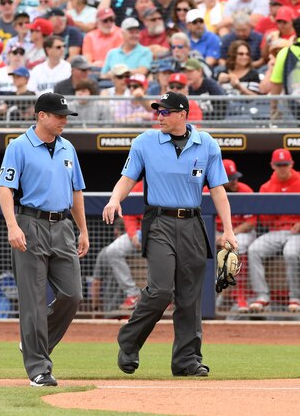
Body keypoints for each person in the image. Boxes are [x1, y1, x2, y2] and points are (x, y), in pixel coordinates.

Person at [103, 91, 237, 377]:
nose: (159, 116)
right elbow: (128, 178)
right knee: (161, 289)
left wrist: (228, 229)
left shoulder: (207, 143)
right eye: (157, 111)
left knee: (189, 296)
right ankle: (129, 341)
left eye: (165, 112)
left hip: (192, 222)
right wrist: (115, 200)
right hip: (160, 220)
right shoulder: (145, 142)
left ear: (182, 114)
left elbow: (217, 190)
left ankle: (186, 360)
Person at [0, 92, 88, 387]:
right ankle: (38, 367)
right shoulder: (19, 146)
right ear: (41, 116)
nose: (64, 120)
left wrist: (83, 230)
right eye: (59, 116)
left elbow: (76, 193)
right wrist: (13, 226)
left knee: (72, 295)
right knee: (33, 302)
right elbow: (6, 189)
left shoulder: (67, 148)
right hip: (30, 222)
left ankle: (35, 342)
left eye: (66, 116)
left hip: (62, 226)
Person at [248, 149, 300, 313]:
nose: (283, 168)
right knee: (253, 249)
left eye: (285, 164)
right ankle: (262, 296)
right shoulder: (267, 187)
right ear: (272, 165)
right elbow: (263, 219)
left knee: (290, 252)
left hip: (297, 232)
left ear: (292, 164)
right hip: (277, 232)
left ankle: (295, 297)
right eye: (279, 165)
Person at [203, 159, 256, 313]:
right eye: (231, 178)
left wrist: (230, 234)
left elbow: (252, 221)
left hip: (240, 231)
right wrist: (215, 236)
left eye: (236, 177)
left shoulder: (244, 189)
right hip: (214, 231)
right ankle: (211, 297)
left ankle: (240, 296)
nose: (235, 181)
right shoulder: (208, 191)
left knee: (238, 247)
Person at [95, 180, 145, 311]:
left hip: (163, 230)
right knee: (113, 250)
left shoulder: (169, 181)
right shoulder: (138, 186)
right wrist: (133, 233)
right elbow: (129, 215)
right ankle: (133, 294)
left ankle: (167, 296)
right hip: (141, 231)